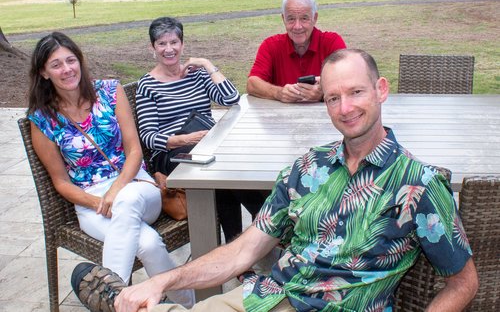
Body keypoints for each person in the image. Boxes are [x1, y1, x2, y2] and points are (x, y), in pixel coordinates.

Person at [73, 49, 479, 312]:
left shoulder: (419, 185)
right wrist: (163, 279)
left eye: (356, 92)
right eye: (334, 97)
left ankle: (117, 300)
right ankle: (139, 300)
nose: (345, 107)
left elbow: (463, 282)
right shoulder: (306, 168)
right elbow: (243, 252)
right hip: (263, 297)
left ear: (381, 90)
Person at [26, 32, 194, 308]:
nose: (67, 69)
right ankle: (189, 303)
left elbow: (135, 151)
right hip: (91, 203)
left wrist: (116, 191)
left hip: (136, 185)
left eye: (71, 60)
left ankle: (112, 299)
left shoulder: (108, 91)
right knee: (149, 244)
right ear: (44, 72)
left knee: (127, 201)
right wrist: (98, 202)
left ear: (80, 61)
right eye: (56, 65)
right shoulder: (42, 120)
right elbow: (61, 183)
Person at [136, 17, 266, 243]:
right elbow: (148, 137)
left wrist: (206, 64)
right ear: (152, 48)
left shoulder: (196, 74)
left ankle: (237, 249)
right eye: (162, 44)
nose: (169, 49)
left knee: (221, 179)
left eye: (174, 42)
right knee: (221, 170)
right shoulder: (147, 85)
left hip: (208, 146)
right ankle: (266, 216)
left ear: (182, 44)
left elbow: (232, 99)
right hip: (171, 154)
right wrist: (183, 138)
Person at [247, 0, 346, 103]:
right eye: (291, 19)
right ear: (283, 19)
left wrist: (323, 91)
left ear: (315, 18)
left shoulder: (332, 42)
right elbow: (252, 84)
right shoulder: (270, 46)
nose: (297, 26)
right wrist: (279, 93)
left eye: (304, 18)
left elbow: (348, 80)